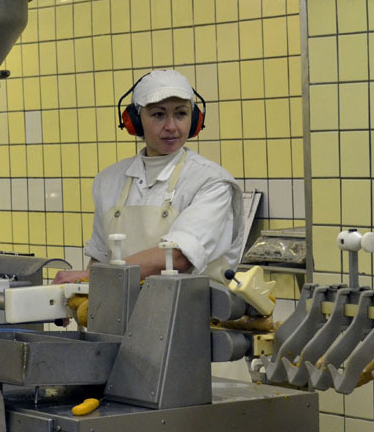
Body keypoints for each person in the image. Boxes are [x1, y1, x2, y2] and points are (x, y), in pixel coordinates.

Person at [55, 69, 243, 284]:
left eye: (181, 114)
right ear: (135, 121)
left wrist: (90, 277)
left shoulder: (211, 181)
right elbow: (101, 258)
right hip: (123, 303)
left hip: (193, 304)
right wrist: (78, 289)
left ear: (194, 121)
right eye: (158, 115)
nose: (171, 127)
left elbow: (177, 257)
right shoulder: (109, 181)